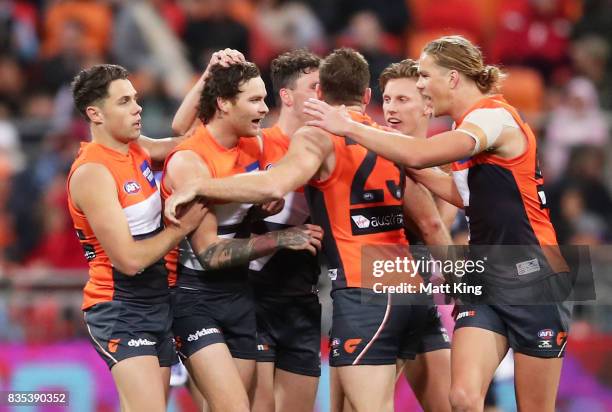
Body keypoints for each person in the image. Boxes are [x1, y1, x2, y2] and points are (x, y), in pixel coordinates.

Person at [165, 48, 451, 412]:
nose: (392, 107)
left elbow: (272, 185)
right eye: (388, 98)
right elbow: (188, 132)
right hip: (263, 295)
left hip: (323, 293)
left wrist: (201, 186)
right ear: (366, 97)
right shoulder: (262, 141)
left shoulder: (319, 141)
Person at [303, 35, 571, 412]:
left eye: (426, 75)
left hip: (534, 274)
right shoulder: (466, 127)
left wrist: (350, 127)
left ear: (453, 78)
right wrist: (405, 163)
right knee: (461, 398)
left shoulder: (492, 116)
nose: (422, 83)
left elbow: (421, 153)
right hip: (487, 277)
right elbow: (465, 196)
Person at [161, 60, 323, 412]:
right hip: (197, 297)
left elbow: (258, 190)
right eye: (254, 100)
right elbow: (209, 253)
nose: (265, 109)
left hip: (240, 296)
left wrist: (256, 208)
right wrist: (279, 239)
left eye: (265, 99)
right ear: (224, 103)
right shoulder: (191, 160)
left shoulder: (255, 144)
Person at [67, 64, 207, 412]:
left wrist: (209, 76)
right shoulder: (93, 173)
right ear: (95, 113)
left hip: (157, 298)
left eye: (136, 99)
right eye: (125, 101)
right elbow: (128, 260)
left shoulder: (134, 147)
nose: (137, 107)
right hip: (120, 306)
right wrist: (182, 228)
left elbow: (185, 143)